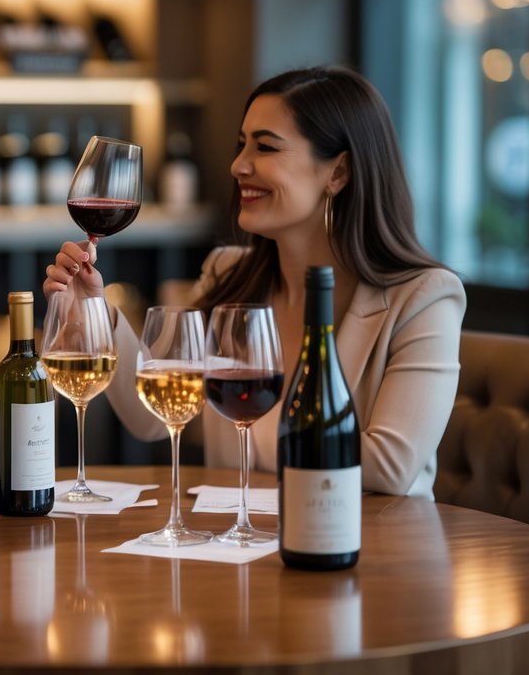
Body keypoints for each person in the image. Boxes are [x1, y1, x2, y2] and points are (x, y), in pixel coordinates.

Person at [45, 66, 465, 498]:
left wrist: (245, 411)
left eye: (265, 147)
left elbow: (389, 468)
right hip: (237, 548)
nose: (237, 165)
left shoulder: (424, 298)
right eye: (241, 144)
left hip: (371, 548)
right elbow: (154, 420)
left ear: (338, 173)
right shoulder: (227, 273)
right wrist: (96, 313)